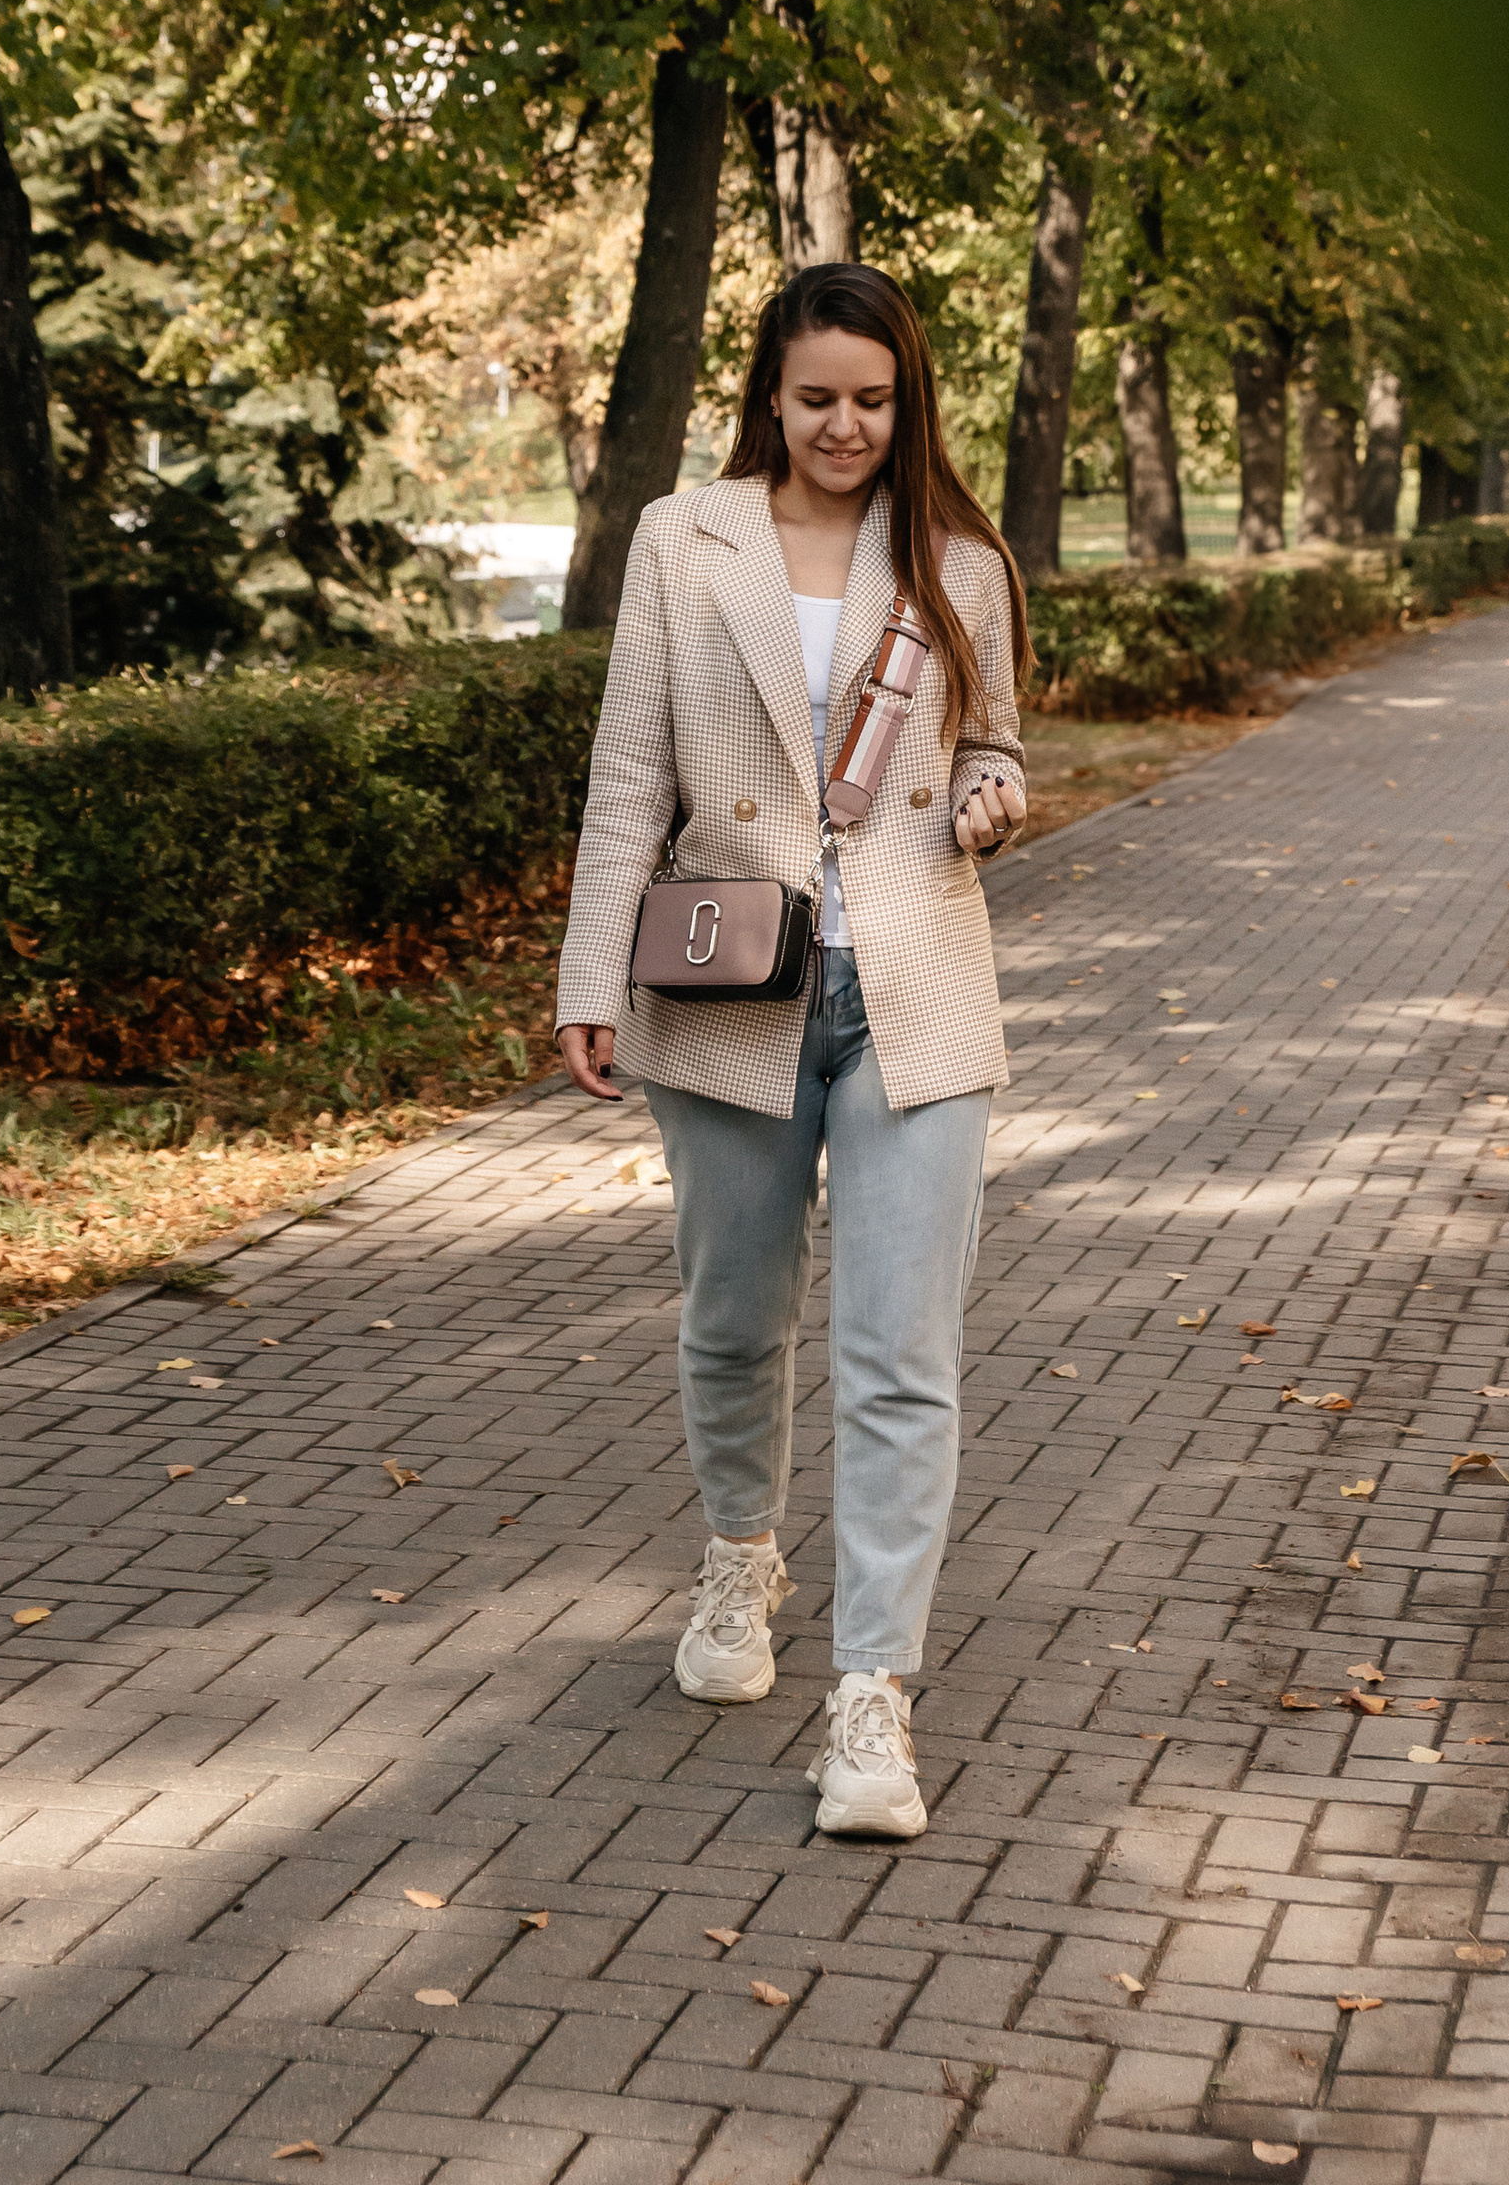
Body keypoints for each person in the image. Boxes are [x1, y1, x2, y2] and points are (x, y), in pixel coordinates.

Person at [555, 259, 1030, 1840]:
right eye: (817, 395)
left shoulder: (961, 559)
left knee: (904, 1361)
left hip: (915, 987)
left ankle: (874, 1701)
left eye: (873, 400)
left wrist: (988, 795)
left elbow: (992, 744)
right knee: (731, 1325)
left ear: (910, 403)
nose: (844, 425)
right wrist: (589, 976)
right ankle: (740, 1564)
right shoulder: (686, 542)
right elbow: (631, 774)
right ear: (770, 389)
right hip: (731, 985)